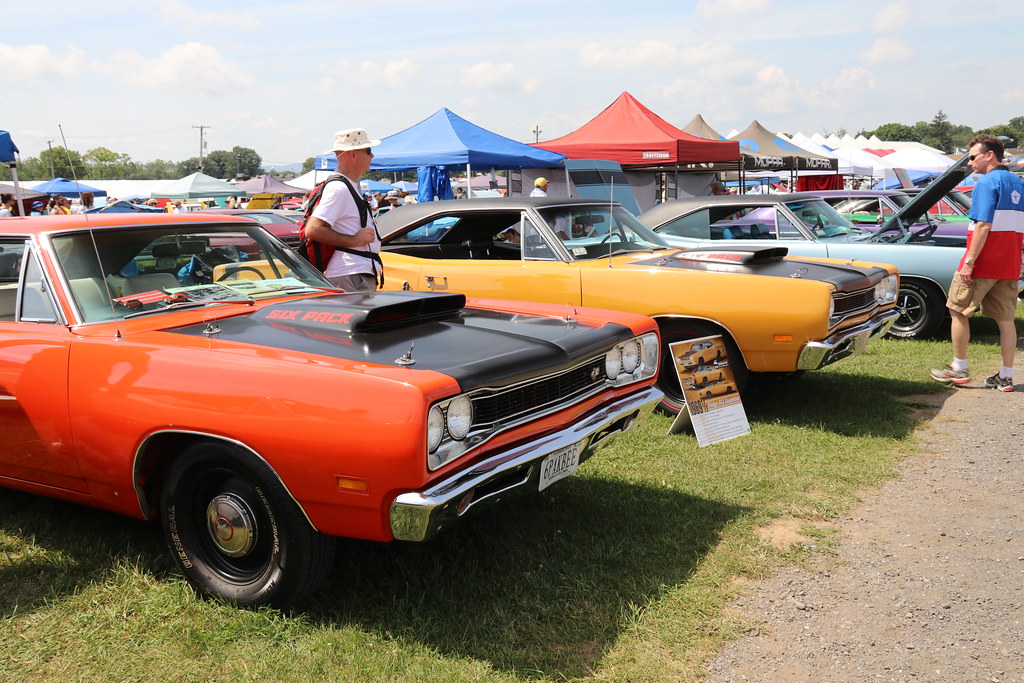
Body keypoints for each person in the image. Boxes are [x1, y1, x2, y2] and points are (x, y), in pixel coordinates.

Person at [931, 134, 1024, 391]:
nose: (970, 163)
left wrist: (969, 262)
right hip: (1010, 264)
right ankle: (1005, 376)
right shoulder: (1019, 183)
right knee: (1005, 320)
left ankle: (958, 368)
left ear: (989, 155)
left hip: (983, 263)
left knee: (957, 310)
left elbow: (983, 224)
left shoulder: (986, 183)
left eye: (973, 157)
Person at [302, 128, 383, 291]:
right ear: (353, 154)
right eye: (368, 151)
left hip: (354, 274)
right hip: (352, 275)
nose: (372, 156)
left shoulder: (347, 186)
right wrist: (353, 241)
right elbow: (313, 229)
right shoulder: (339, 188)